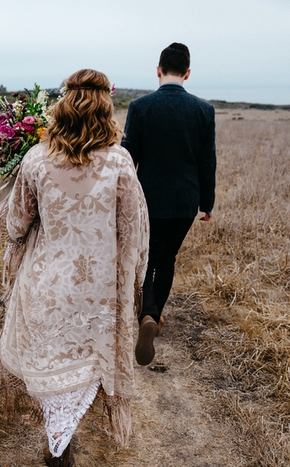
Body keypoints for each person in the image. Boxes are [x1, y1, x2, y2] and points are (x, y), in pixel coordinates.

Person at [0, 69, 149, 467]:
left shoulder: (35, 159)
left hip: (46, 284)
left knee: (51, 361)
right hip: (97, 291)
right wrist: (133, 284)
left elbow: (16, 225)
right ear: (105, 109)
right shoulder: (120, 163)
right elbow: (135, 232)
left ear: (61, 106)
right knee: (87, 366)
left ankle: (58, 439)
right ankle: (63, 435)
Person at [122, 42, 216, 366]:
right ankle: (155, 314)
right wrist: (208, 203)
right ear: (187, 73)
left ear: (158, 70)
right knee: (168, 258)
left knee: (144, 259)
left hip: (146, 198)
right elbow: (208, 161)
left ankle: (147, 315)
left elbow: (127, 156)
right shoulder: (205, 111)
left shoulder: (140, 106)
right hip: (185, 201)